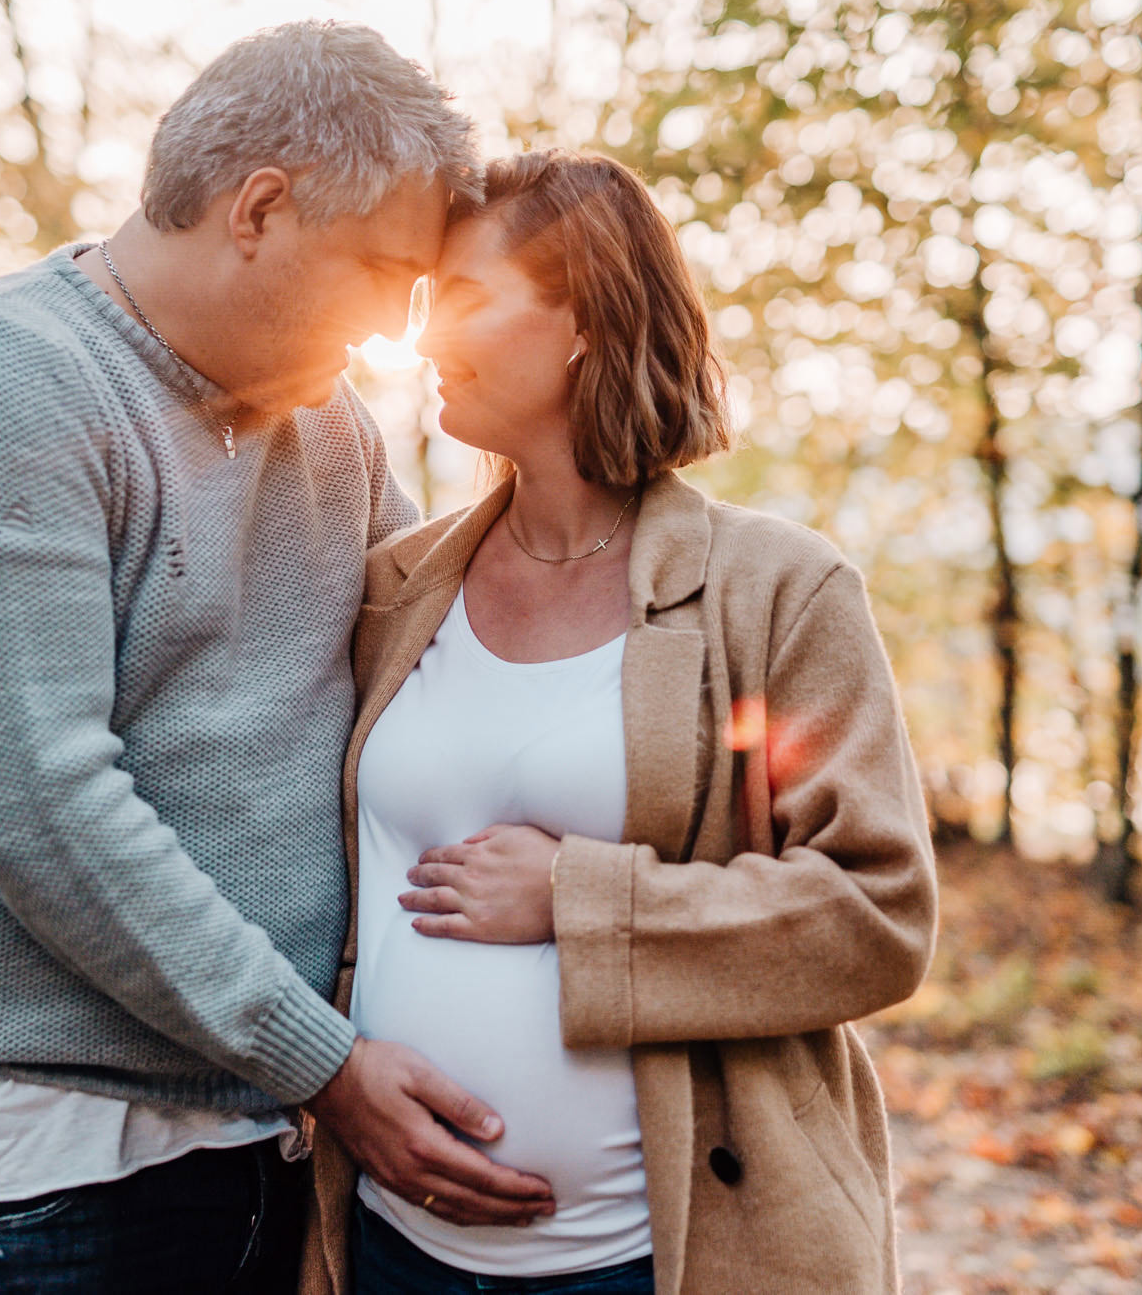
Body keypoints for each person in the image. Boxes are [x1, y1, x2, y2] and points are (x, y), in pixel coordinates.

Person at [0, 20, 555, 1295]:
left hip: (260, 1141)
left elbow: (447, 664)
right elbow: (44, 806)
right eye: (386, 272)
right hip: (22, 1174)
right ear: (259, 209)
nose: (399, 328)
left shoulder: (329, 429)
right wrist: (325, 1062)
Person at [303, 150, 940, 1295]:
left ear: (587, 319)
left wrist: (577, 899)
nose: (425, 336)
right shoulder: (395, 588)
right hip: (394, 1247)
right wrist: (328, 1074)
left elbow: (876, 914)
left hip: (654, 1260)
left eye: (463, 297)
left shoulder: (777, 593)